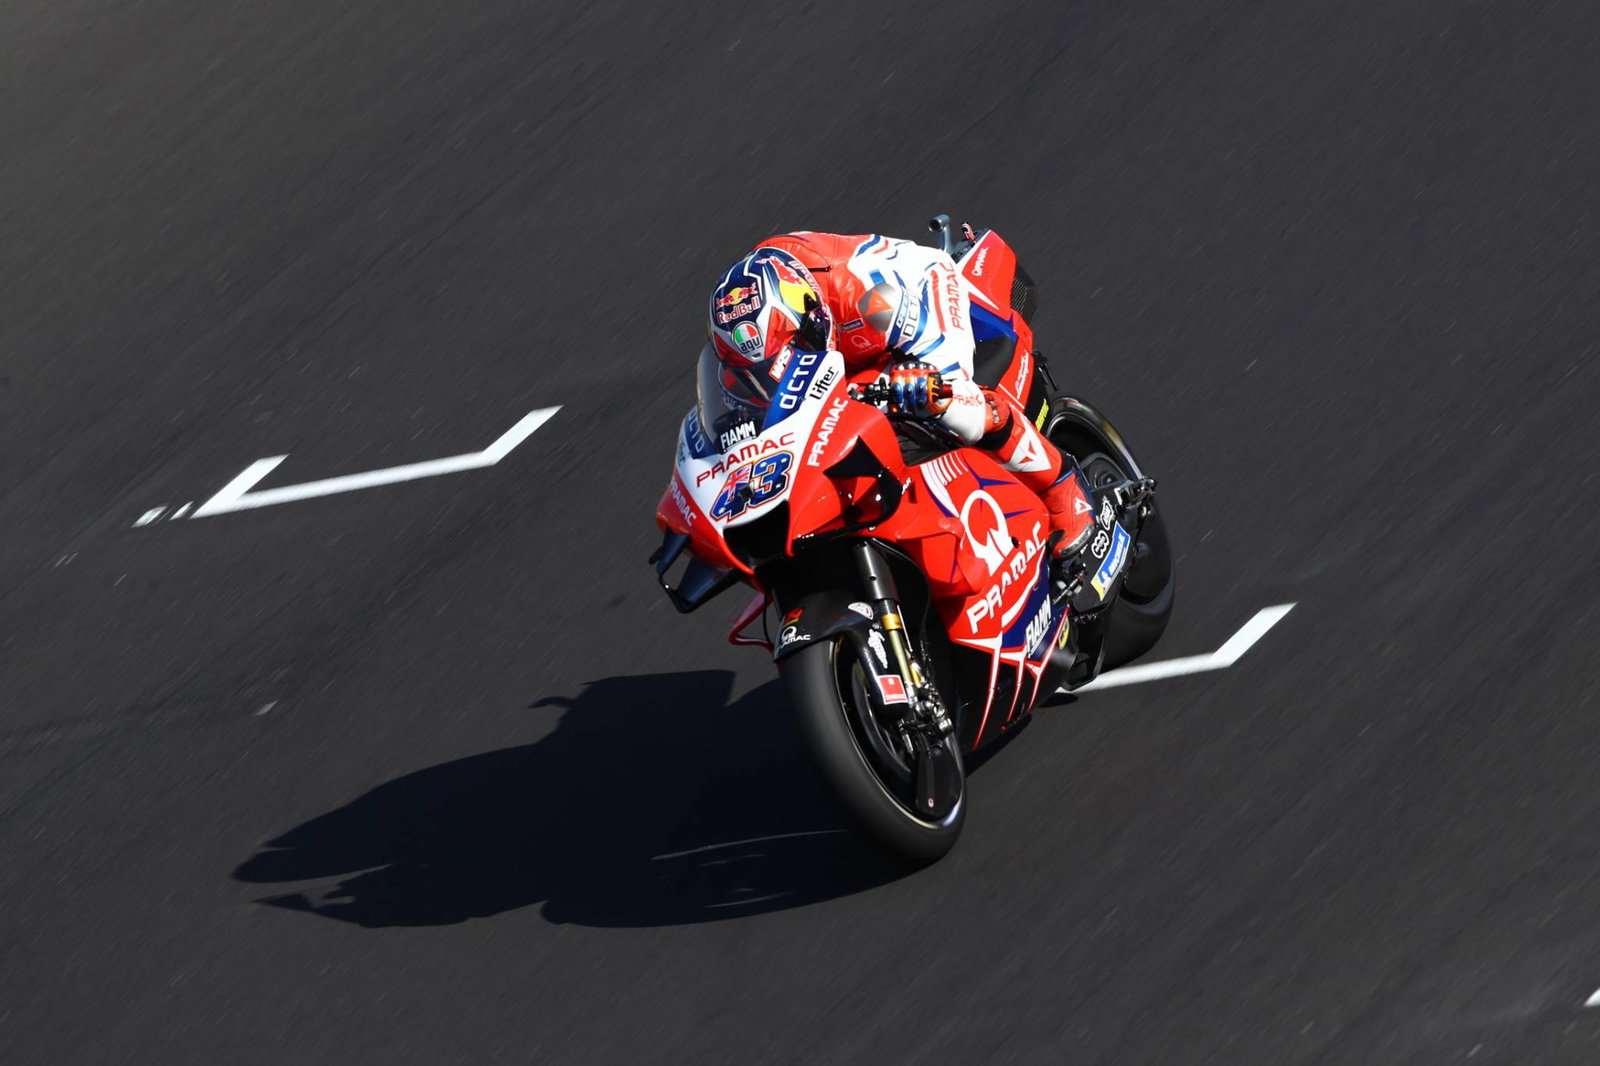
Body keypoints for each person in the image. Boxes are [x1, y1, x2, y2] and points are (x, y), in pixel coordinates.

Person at [705, 231, 1098, 572]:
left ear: (813, 318)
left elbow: (924, 346)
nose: (778, 373)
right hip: (845, 355)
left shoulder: (867, 297)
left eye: (795, 352)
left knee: (949, 404)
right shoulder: (737, 359)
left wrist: (919, 379)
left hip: (918, 297)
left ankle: (1061, 487)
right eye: (761, 371)